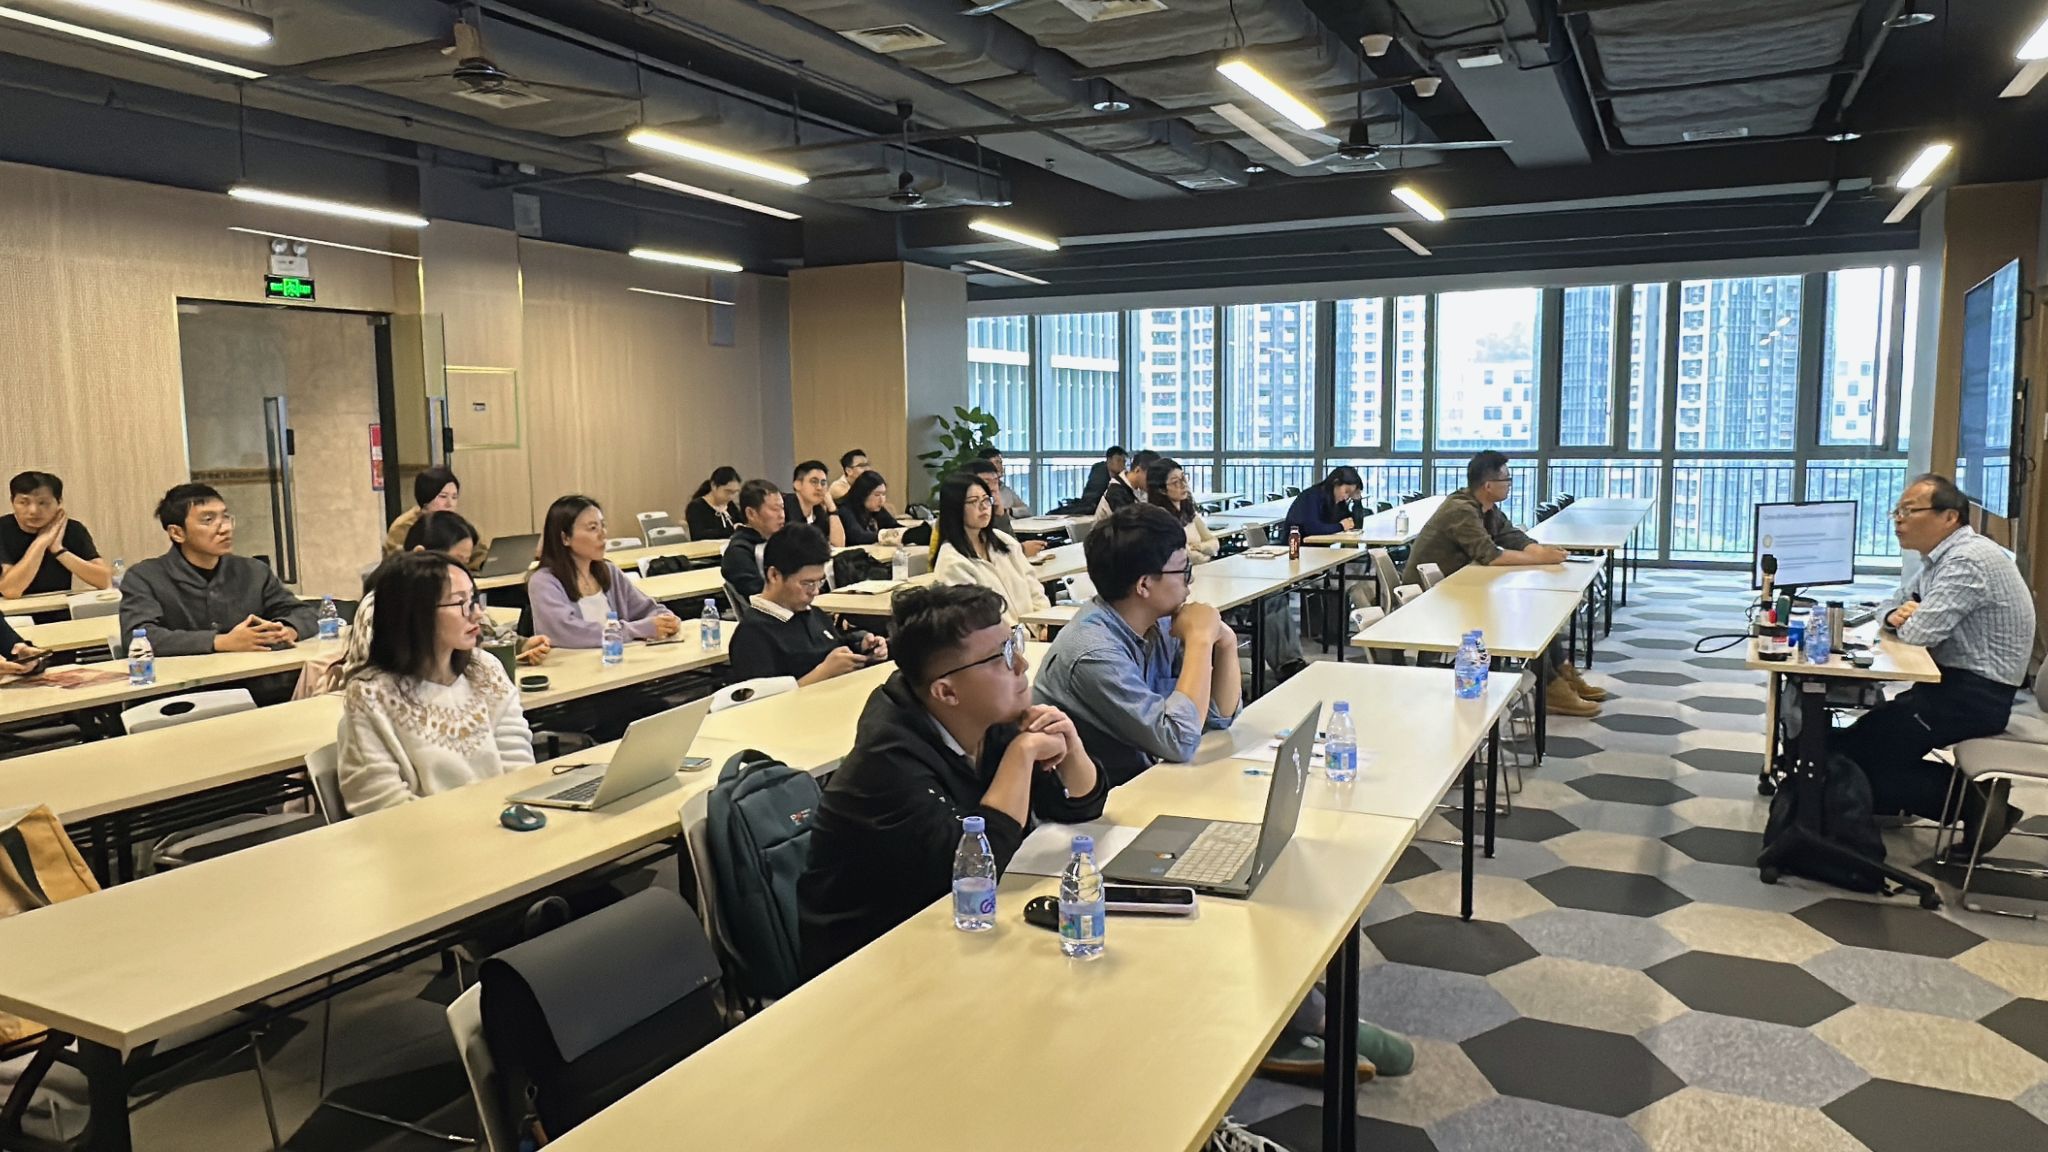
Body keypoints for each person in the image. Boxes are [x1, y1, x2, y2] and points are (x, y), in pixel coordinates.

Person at [798, 584, 1107, 977]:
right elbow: (973, 871)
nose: (1022, 664)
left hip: (951, 933)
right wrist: (1021, 755)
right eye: (1002, 656)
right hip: (868, 964)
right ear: (946, 692)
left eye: (1014, 642)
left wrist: (1071, 746)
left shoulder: (988, 717)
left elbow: (1078, 807)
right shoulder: (886, 762)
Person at [1835, 474, 2036, 853]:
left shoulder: (1967, 562)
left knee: (1850, 757)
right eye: (1897, 511)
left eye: (1909, 511)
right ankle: (1929, 801)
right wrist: (1895, 613)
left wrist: (1906, 617)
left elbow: (1918, 633)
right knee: (1858, 741)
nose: (1898, 520)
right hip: (1951, 687)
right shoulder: (1940, 559)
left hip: (1973, 697)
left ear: (1949, 517)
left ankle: (1976, 803)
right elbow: (1890, 603)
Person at [1033, 503, 1240, 785]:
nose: (1190, 580)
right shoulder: (1094, 653)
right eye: (1183, 570)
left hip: (1146, 779)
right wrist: (1201, 641)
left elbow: (1216, 719)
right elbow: (1179, 740)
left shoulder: (1160, 622)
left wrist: (1226, 642)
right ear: (1144, 585)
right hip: (1103, 799)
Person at [334, 550, 535, 814]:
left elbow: (518, 767)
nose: (476, 614)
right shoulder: (370, 695)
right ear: (416, 613)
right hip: (421, 835)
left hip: (502, 823)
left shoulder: (485, 670)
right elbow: (382, 804)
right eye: (460, 602)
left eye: (474, 599)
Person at [1403, 451, 1599, 716]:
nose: (1509, 484)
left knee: (1536, 615)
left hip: (1461, 590)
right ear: (1488, 485)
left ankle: (1562, 673)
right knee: (1522, 620)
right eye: (1506, 479)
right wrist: (1539, 558)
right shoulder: (1460, 510)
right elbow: (1491, 555)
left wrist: (1541, 551)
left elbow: (1512, 536)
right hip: (1435, 601)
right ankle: (1551, 687)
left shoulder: (1486, 509)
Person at [120, 483, 317, 655]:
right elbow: (139, 637)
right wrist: (220, 642)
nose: (225, 528)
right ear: (177, 533)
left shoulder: (253, 571)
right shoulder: (144, 578)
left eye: (225, 517)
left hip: (256, 678)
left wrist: (287, 631)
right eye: (208, 520)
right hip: (191, 682)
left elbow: (304, 613)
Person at [729, 526, 887, 684]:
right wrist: (824, 673)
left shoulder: (813, 613)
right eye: (807, 583)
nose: (815, 591)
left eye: (820, 581)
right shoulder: (752, 635)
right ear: (774, 575)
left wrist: (863, 649)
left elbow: (834, 647)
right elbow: (763, 698)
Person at [527, 495, 681, 647]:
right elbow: (568, 633)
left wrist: (666, 620)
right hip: (574, 662)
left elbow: (646, 609)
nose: (603, 534)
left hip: (618, 659)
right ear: (565, 538)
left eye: (603, 526)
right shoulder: (544, 582)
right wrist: (636, 630)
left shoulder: (609, 571)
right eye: (593, 528)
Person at [932, 472, 1050, 625]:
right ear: (955, 508)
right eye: (973, 501)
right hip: (1000, 637)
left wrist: (1043, 624)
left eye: (986, 500)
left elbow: (1034, 588)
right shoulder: (952, 561)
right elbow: (976, 618)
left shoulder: (1004, 541)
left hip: (1034, 631)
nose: (984, 507)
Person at [0, 471, 110, 600]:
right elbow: (11, 591)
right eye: (24, 503)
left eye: (43, 503)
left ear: (59, 502)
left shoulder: (73, 529)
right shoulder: (3, 529)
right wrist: (41, 542)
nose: (33, 511)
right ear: (12, 502)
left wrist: (59, 550)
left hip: (58, 607)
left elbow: (106, 581)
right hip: (11, 611)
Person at [383, 466, 472, 562]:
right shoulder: (403, 527)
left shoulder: (458, 524)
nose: (450, 504)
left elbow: (478, 555)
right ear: (426, 497)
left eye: (454, 497)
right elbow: (399, 563)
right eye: (443, 496)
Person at [965, 458, 1046, 557]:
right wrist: (1021, 551)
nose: (993, 488)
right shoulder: (969, 517)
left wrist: (1000, 512)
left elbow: (1008, 543)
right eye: (986, 483)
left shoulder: (999, 501)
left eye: (995, 482)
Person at [721, 480, 786, 599]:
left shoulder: (783, 541)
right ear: (751, 513)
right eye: (774, 509)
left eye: (782, 508)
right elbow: (759, 597)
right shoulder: (738, 552)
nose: (782, 515)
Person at [1146, 458, 1221, 561]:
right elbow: (1187, 556)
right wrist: (1206, 555)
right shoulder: (1161, 518)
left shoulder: (1188, 511)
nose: (1183, 485)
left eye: (1183, 478)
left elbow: (1214, 542)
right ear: (1161, 490)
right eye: (1175, 482)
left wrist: (1199, 547)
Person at [1283, 466, 1364, 540]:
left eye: (1350, 494)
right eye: (1346, 491)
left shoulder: (1338, 502)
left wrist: (1357, 501)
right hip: (1296, 546)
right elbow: (1313, 528)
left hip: (1317, 547)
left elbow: (1354, 525)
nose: (1346, 497)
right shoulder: (1312, 496)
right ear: (1335, 483)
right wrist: (1341, 526)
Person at [788, 460, 847, 549]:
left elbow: (838, 545)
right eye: (814, 482)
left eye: (823, 483)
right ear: (797, 484)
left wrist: (832, 508)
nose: (819, 487)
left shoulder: (818, 510)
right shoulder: (784, 508)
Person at [837, 471, 903, 547]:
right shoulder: (844, 509)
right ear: (863, 494)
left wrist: (905, 533)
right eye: (877, 495)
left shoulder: (875, 508)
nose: (882, 500)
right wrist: (887, 535)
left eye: (883, 494)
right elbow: (858, 536)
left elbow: (893, 525)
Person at [685, 466, 743, 541]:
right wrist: (731, 530)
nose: (732, 496)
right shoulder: (696, 507)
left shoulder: (730, 505)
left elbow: (741, 523)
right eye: (728, 491)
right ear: (714, 486)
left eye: (735, 492)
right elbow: (698, 535)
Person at [1095, 449, 1158, 518]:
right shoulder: (1116, 491)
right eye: (1151, 476)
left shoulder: (1136, 489)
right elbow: (1129, 521)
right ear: (1137, 470)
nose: (1153, 481)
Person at [979, 449, 1031, 517]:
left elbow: (1027, 511)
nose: (1001, 467)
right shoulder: (978, 490)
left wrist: (1010, 511)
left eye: (1001, 463)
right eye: (997, 462)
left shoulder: (1006, 490)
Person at [1077, 446, 1125, 513]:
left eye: (1124, 461)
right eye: (1118, 460)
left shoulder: (1119, 476)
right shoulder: (1099, 474)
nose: (1122, 464)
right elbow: (1093, 499)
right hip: (1090, 509)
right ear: (1109, 460)